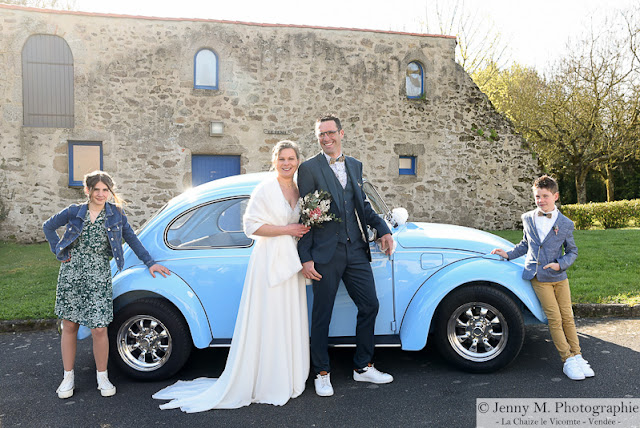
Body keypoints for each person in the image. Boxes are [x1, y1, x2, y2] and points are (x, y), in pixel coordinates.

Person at [153, 141, 311, 412]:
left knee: (287, 317)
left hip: (290, 262)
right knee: (270, 318)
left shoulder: (298, 188)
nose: (287, 163)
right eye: (282, 158)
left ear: (297, 161)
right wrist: (288, 229)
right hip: (269, 261)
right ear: (274, 161)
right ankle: (267, 380)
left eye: (291, 158)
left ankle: (288, 374)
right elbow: (251, 227)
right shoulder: (264, 189)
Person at [43, 170, 171, 399]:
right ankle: (68, 377)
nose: (101, 194)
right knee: (70, 325)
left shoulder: (116, 215)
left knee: (99, 327)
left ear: (110, 192)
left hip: (99, 273)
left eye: (106, 190)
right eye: (97, 190)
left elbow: (132, 239)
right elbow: (48, 226)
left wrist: (150, 263)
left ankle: (102, 376)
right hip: (72, 272)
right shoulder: (74, 212)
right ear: (88, 191)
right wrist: (60, 252)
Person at [297, 114, 395, 397]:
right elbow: (307, 215)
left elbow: (362, 205)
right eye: (320, 135)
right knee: (322, 314)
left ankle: (363, 366)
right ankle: (322, 372)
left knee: (370, 305)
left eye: (330, 133)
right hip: (325, 253)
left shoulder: (354, 165)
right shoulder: (308, 168)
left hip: (355, 250)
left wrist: (383, 230)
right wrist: (305, 257)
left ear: (341, 133)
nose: (325, 138)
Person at [491, 175, 595, 381]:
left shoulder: (565, 223)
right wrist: (508, 254)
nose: (541, 200)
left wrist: (560, 264)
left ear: (555, 196)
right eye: (537, 196)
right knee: (554, 319)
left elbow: (572, 251)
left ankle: (578, 355)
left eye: (545, 196)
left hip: (559, 276)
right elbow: (524, 244)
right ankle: (567, 360)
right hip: (539, 277)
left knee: (568, 317)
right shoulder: (528, 218)